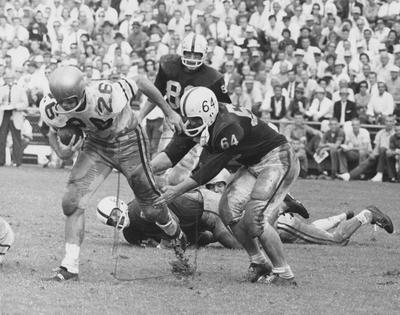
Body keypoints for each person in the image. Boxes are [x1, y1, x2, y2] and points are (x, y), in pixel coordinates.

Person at [39, 65, 184, 281]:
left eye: (71, 100)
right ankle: (69, 267)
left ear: (82, 90)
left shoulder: (105, 94)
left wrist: (169, 112)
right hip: (97, 146)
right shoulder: (51, 107)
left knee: (152, 210)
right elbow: (49, 128)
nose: (67, 105)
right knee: (71, 202)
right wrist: (61, 150)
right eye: (63, 101)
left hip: (128, 142)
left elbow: (140, 80)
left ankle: (177, 235)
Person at [154, 87, 300, 286]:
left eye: (195, 119)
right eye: (187, 118)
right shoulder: (205, 120)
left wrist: (177, 190)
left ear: (209, 113)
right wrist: (142, 169)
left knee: (255, 217)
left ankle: (284, 273)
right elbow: (174, 155)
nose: (190, 123)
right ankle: (259, 262)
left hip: (278, 158)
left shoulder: (228, 126)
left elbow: (212, 168)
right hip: (254, 163)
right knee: (227, 209)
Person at [97, 169, 242, 249]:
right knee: (204, 240)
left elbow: (172, 220)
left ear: (120, 205)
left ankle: (252, 240)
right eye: (111, 221)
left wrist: (164, 245)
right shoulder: (130, 234)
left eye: (115, 215)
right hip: (187, 226)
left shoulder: (138, 208)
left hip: (200, 208)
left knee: (232, 242)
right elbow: (152, 242)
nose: (116, 220)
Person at [277, 206, 393, 245]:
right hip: (280, 219)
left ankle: (367, 215)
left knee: (336, 240)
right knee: (309, 229)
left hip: (279, 224)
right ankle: (340, 218)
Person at [338, 116, 396, 181]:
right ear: (384, 122)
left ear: (394, 123)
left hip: (391, 155)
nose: (388, 123)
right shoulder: (380, 133)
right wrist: (373, 154)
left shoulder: (396, 133)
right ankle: (349, 175)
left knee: (382, 149)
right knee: (369, 159)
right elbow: (377, 147)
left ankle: (379, 175)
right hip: (380, 155)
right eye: (387, 121)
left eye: (390, 121)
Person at [0, 72, 29, 167]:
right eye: (7, 78)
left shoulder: (20, 89)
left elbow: (25, 103)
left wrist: (15, 106)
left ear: (14, 79)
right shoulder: (1, 89)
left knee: (16, 139)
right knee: (1, 138)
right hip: (4, 115)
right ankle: (1, 160)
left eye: (10, 78)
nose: (9, 80)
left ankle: (17, 161)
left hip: (15, 114)